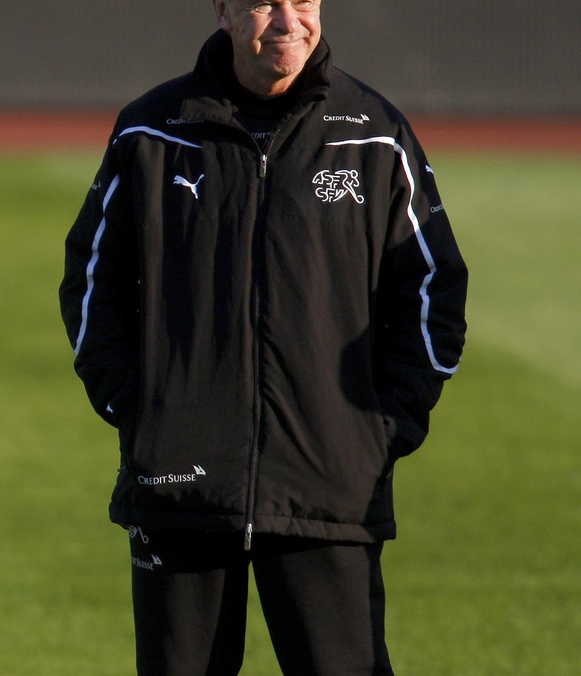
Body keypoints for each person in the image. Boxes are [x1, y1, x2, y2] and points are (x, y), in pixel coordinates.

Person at [59, 1, 467, 673]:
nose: (288, 21)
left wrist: (380, 429)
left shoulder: (375, 132)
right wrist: (142, 411)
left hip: (329, 490)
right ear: (222, 10)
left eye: (303, 2)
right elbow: (93, 282)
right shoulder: (151, 130)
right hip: (181, 486)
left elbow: (433, 286)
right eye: (263, 4)